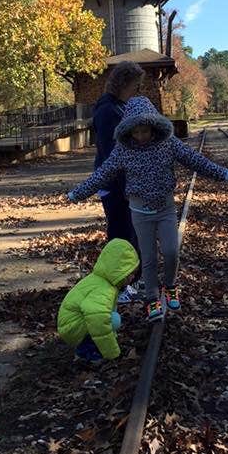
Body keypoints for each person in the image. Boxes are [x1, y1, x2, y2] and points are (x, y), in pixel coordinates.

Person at [68, 96, 228, 321]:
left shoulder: (168, 143)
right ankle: (152, 298)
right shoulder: (124, 149)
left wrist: (221, 173)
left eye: (144, 131)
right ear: (128, 130)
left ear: (153, 126)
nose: (140, 136)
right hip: (139, 212)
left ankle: (169, 286)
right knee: (147, 259)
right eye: (135, 132)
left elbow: (194, 159)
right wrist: (78, 193)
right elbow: (103, 173)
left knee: (171, 251)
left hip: (165, 209)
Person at [92, 61, 144, 302]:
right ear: (124, 83)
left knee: (130, 234)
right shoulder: (108, 111)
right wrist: (126, 185)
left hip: (124, 183)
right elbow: (111, 153)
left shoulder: (118, 107)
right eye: (135, 84)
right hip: (116, 186)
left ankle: (132, 281)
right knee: (121, 236)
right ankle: (120, 287)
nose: (137, 89)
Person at [57, 238, 140, 361]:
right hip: (72, 328)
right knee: (112, 319)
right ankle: (87, 352)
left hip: (71, 323)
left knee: (111, 318)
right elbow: (98, 319)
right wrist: (113, 353)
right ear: (120, 271)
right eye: (130, 273)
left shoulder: (101, 280)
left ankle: (88, 346)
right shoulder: (104, 289)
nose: (132, 277)